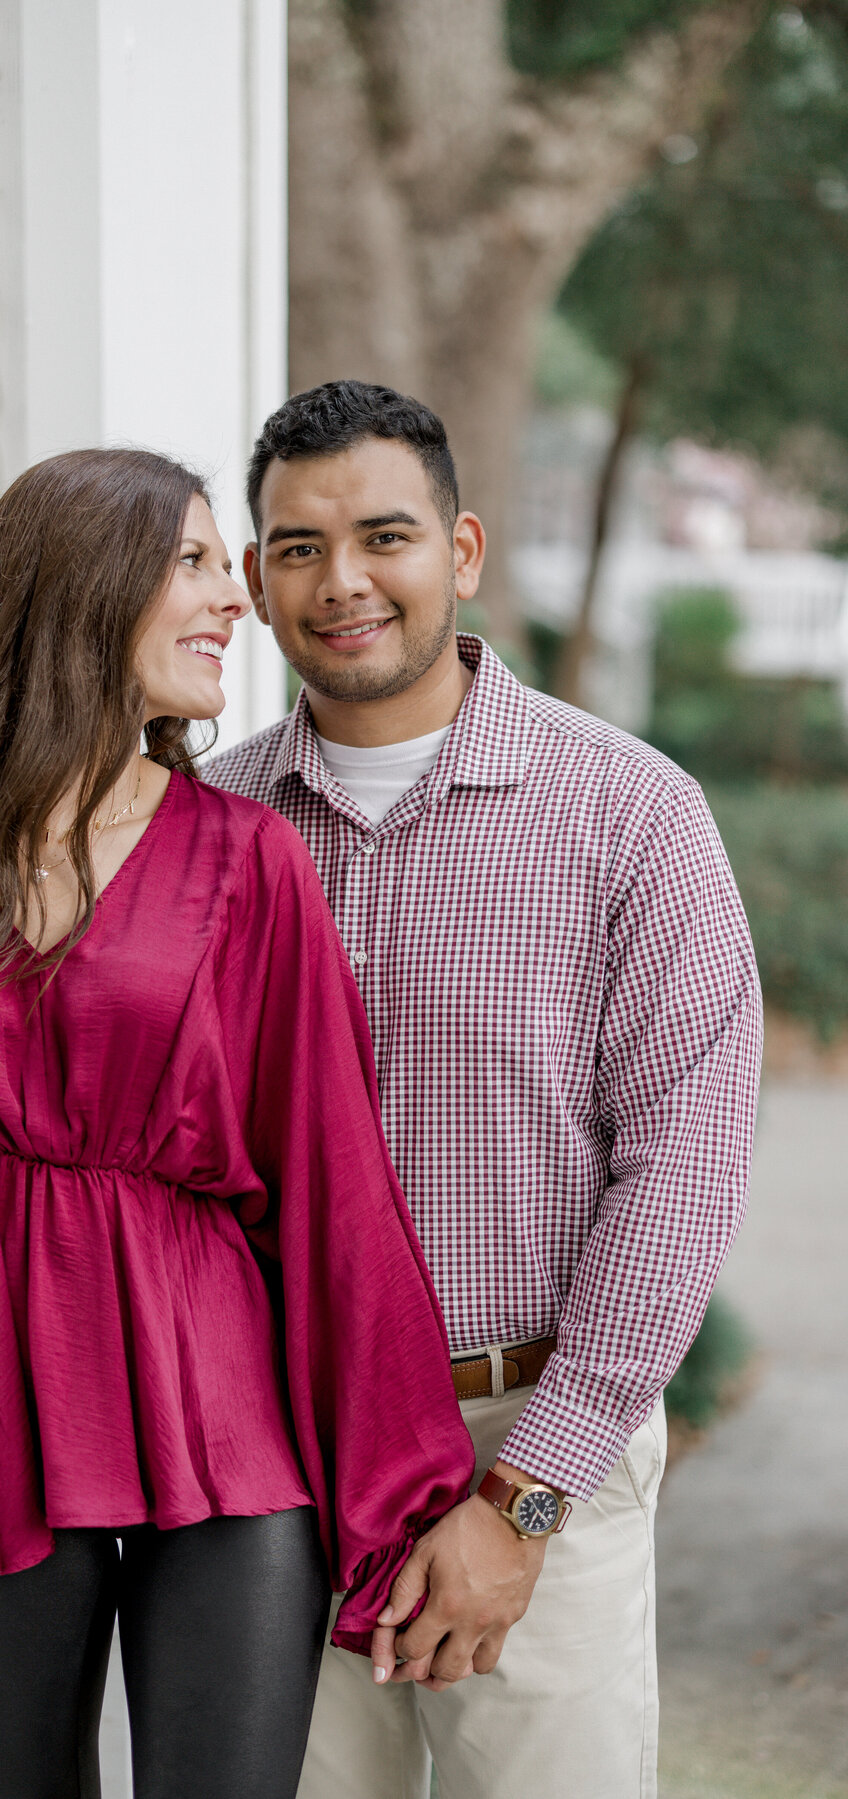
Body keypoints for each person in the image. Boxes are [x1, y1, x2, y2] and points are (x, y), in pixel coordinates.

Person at [0, 448, 475, 1799]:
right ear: (84, 590)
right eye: (197, 563)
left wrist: (403, 1482)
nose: (237, 602)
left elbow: (330, 1181)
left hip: (215, 1393)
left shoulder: (247, 856)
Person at [207, 380, 762, 1799]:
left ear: (460, 551)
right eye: (295, 548)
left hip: (528, 1434)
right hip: (275, 1455)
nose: (343, 584)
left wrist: (525, 1499)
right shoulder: (202, 832)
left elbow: (687, 1168)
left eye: (382, 536)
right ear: (259, 579)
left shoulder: (630, 813)